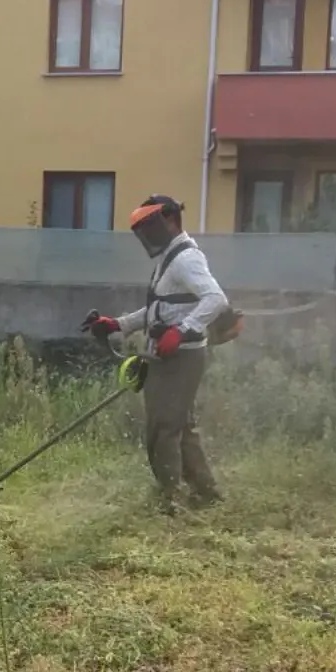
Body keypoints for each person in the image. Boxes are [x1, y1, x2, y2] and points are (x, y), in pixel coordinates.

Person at [83, 194, 230, 509]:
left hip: (182, 357)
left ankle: (169, 499)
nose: (147, 235)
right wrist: (117, 325)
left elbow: (216, 299)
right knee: (181, 427)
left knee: (162, 428)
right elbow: (158, 309)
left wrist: (182, 331)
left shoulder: (186, 258)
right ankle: (207, 493)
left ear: (171, 220)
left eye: (150, 226)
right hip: (168, 355)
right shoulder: (169, 258)